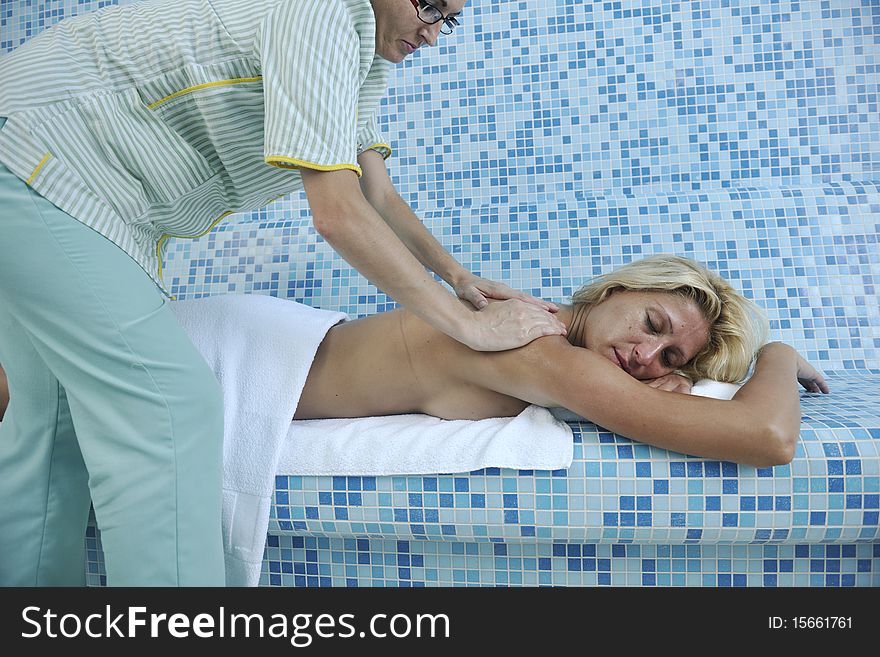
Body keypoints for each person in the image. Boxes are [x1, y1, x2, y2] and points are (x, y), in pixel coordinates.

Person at [0, 0, 564, 586]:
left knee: (50, 422)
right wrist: (465, 326)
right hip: (41, 161)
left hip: (43, 170)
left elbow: (375, 194)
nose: (434, 31)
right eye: (427, 5)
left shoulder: (359, 52)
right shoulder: (318, 12)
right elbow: (337, 214)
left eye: (449, 17)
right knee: (168, 407)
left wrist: (460, 279)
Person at [0, 256, 830, 469]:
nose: (645, 354)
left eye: (668, 356)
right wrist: (783, 355)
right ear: (614, 288)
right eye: (652, 322)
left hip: (255, 341)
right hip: (229, 352)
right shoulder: (547, 353)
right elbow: (764, 436)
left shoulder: (539, 327)